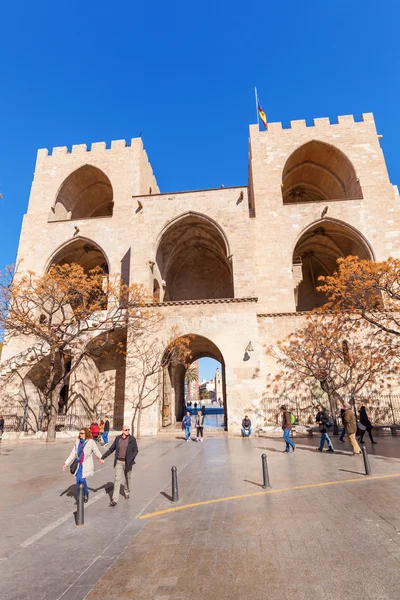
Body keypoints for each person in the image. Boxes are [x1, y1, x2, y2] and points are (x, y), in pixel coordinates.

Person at [63, 427, 104, 503]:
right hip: (79, 464)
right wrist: (66, 463)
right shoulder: (77, 442)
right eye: (80, 433)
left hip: (86, 464)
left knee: (82, 479)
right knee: (78, 480)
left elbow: (96, 451)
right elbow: (73, 454)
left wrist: (101, 458)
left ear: (86, 434)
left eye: (82, 433)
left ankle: (85, 492)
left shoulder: (90, 442)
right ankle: (79, 496)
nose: (80, 434)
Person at [102, 425, 138, 507]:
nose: (128, 431)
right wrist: (103, 457)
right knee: (117, 479)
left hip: (128, 462)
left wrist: (131, 457)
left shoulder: (132, 439)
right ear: (122, 431)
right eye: (126, 430)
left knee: (127, 478)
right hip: (118, 462)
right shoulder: (118, 439)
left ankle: (127, 492)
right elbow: (111, 449)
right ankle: (115, 499)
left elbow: (136, 450)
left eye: (128, 430)